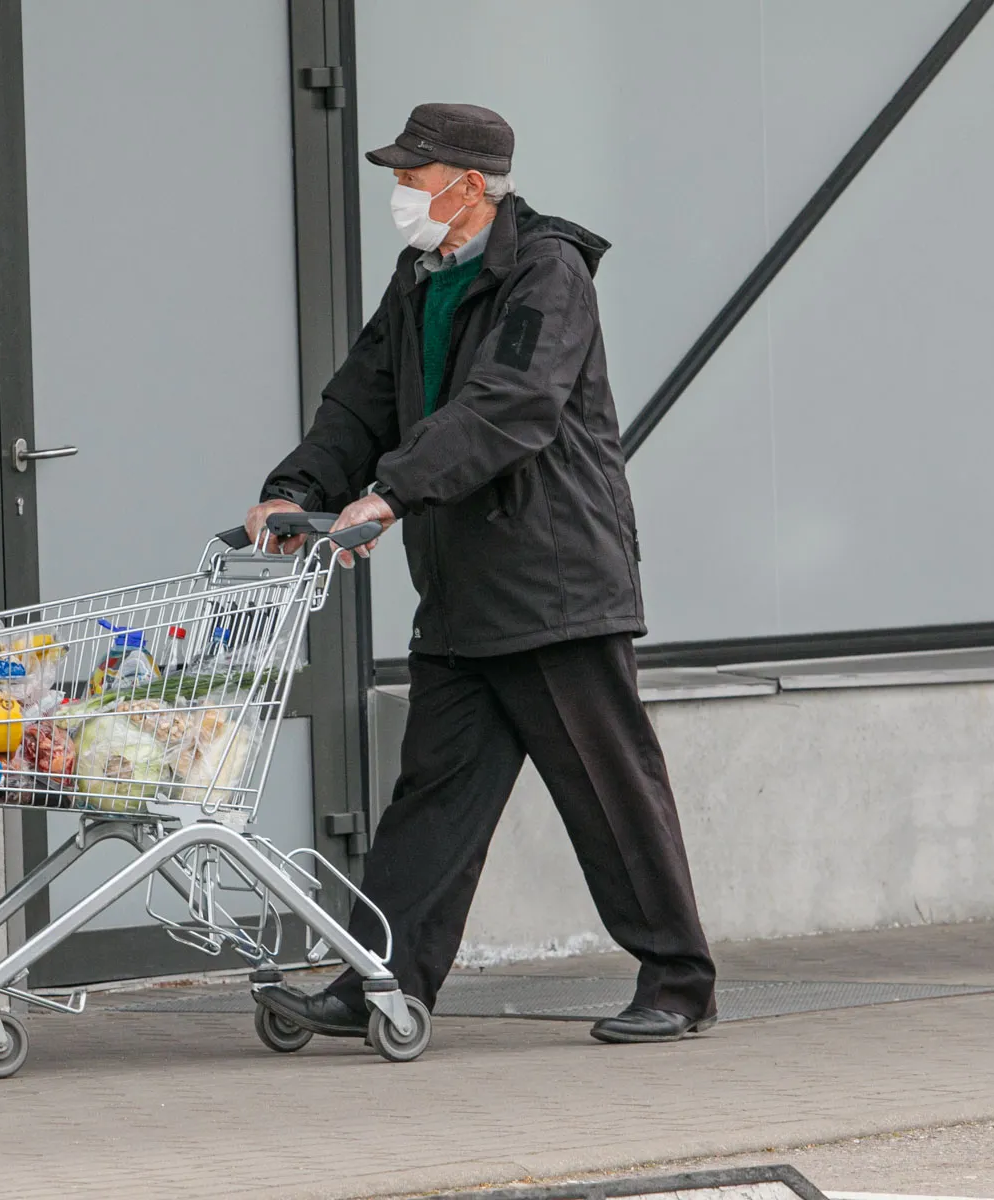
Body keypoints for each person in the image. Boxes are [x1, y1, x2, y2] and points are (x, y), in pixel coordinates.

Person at [245, 103, 717, 1045]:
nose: (398, 194)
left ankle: (678, 981)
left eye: (411, 178)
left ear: (468, 185)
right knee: (435, 794)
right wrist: (295, 488)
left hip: (555, 585)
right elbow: (362, 398)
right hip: (461, 585)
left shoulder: (546, 271)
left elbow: (512, 407)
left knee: (607, 789)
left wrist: (388, 497)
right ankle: (381, 979)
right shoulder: (423, 277)